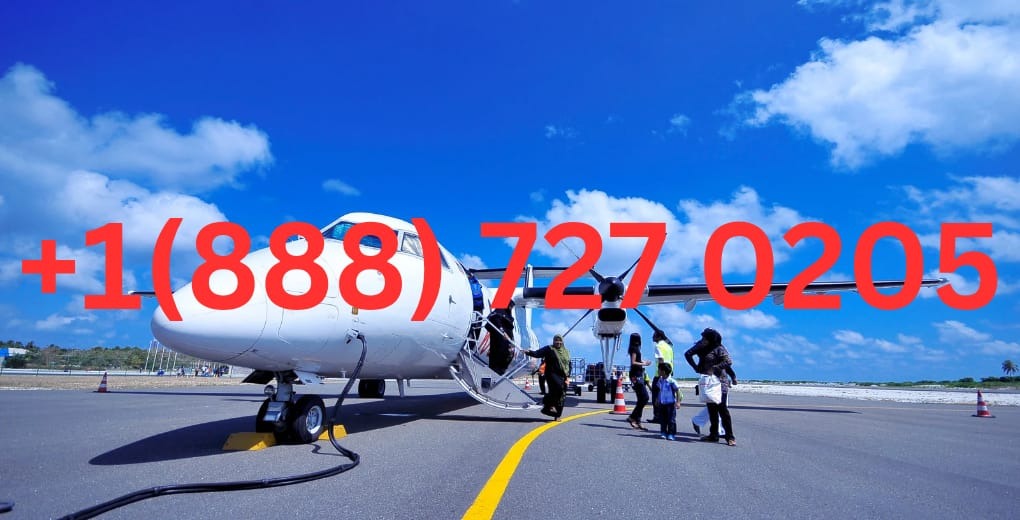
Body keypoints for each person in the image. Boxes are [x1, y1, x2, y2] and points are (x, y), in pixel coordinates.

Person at [684, 328, 738, 446]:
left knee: (722, 410)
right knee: (711, 410)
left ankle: (730, 437)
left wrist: (716, 368)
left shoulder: (719, 348)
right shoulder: (701, 346)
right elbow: (688, 354)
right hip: (707, 382)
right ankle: (713, 435)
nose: (702, 339)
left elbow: (728, 362)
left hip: (720, 383)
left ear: (710, 340)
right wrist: (695, 367)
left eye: (704, 338)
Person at [525, 334, 571, 420]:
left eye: (560, 341)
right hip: (551, 374)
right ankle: (547, 404)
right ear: (553, 341)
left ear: (562, 342)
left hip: (563, 376)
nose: (558, 343)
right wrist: (528, 352)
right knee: (558, 388)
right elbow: (537, 353)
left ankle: (556, 414)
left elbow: (569, 364)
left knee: (562, 394)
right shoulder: (549, 349)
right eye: (556, 341)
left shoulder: (566, 352)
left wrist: (568, 377)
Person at [625, 332, 652, 430]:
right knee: (645, 397)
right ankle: (632, 417)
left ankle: (637, 420)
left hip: (637, 374)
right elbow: (633, 362)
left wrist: (643, 362)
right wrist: (644, 364)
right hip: (636, 375)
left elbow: (636, 361)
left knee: (641, 398)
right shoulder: (634, 349)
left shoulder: (635, 348)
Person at [649, 330, 674, 424]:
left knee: (656, 396)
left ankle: (657, 417)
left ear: (659, 337)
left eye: (654, 335)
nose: (652, 337)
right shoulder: (669, 347)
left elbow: (661, 360)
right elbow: (671, 360)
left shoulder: (658, 346)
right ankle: (665, 416)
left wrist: (660, 375)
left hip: (660, 375)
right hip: (668, 374)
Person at [653, 363, 681, 440]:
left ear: (664, 372)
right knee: (662, 419)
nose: (658, 371)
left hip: (670, 404)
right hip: (662, 403)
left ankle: (671, 434)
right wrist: (657, 399)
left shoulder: (672, 381)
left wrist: (678, 402)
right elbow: (660, 390)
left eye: (659, 370)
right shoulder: (660, 380)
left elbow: (678, 391)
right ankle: (663, 432)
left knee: (671, 419)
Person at [485, 305, 515, 375]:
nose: (511, 308)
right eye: (511, 306)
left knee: (498, 367)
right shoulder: (499, 315)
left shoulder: (505, 318)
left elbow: (489, 324)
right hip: (500, 354)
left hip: (501, 354)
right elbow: (491, 323)